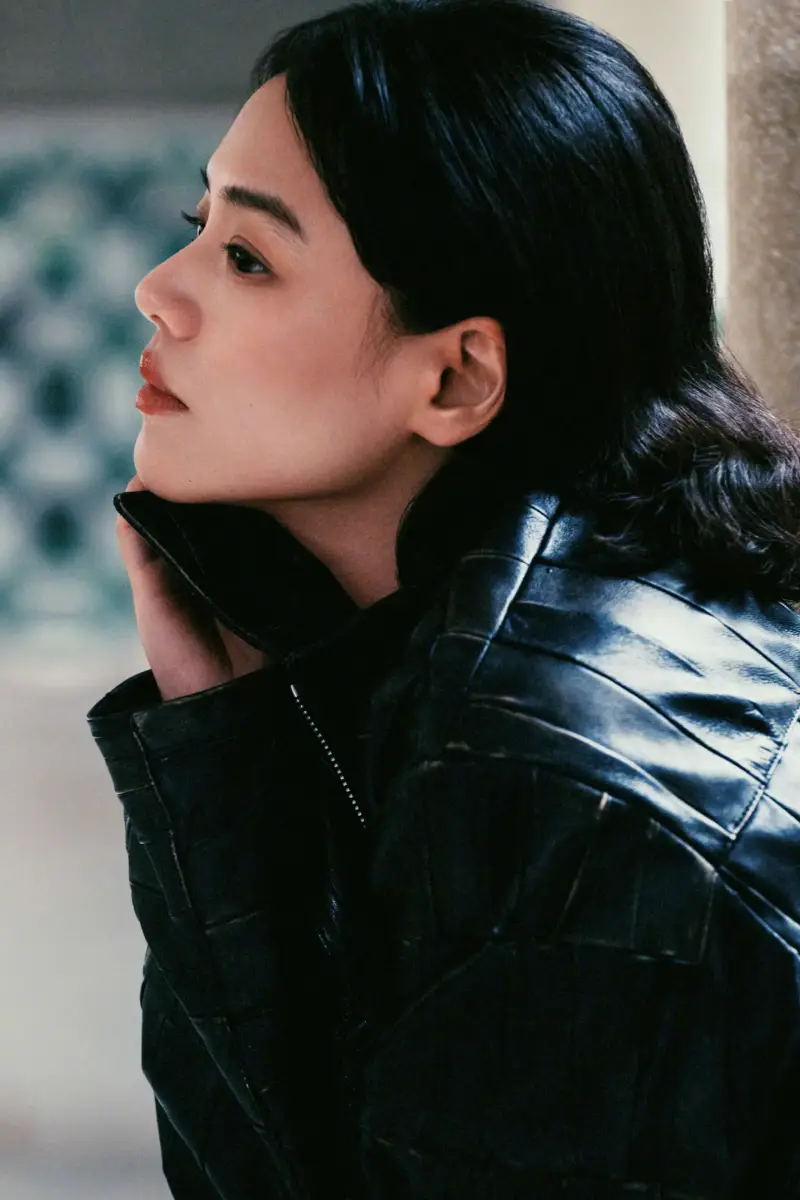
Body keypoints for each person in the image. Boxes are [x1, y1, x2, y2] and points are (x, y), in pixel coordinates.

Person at [87, 1, 800, 1196]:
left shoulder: (553, 770)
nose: (158, 290)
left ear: (457, 376)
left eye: (248, 257)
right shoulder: (549, 644)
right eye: (198, 226)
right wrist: (222, 755)